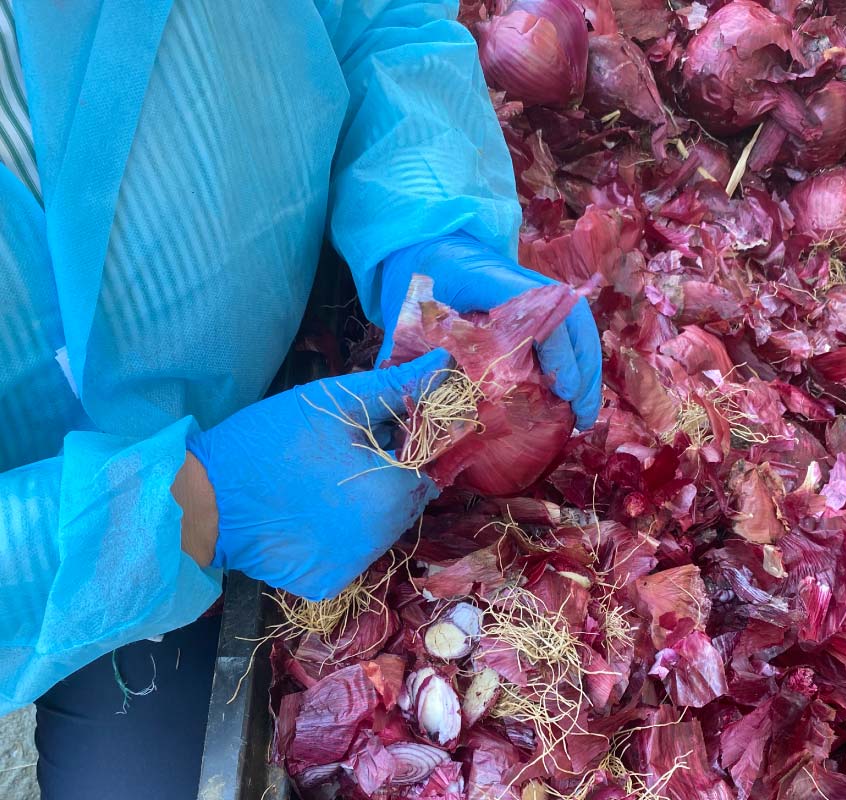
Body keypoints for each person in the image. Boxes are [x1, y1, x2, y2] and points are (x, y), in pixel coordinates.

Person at [0, 1, 602, 797]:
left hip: (311, 328)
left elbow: (385, 22)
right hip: (71, 555)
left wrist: (428, 219)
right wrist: (193, 507)